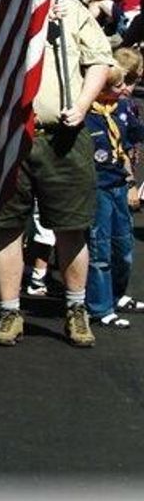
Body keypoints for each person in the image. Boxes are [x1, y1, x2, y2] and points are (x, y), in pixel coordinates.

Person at [0, 0, 112, 349]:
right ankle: (10, 312)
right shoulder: (2, 1)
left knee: (72, 225)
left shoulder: (69, 8)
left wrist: (84, 104)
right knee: (6, 224)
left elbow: (99, 61)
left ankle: (76, 308)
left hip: (64, 136)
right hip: (12, 135)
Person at [83, 64, 144, 329]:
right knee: (100, 249)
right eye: (117, 86)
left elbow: (133, 139)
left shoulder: (121, 109)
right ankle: (100, 306)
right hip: (98, 187)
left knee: (124, 248)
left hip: (119, 182)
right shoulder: (85, 115)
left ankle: (117, 295)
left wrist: (131, 181)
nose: (124, 90)